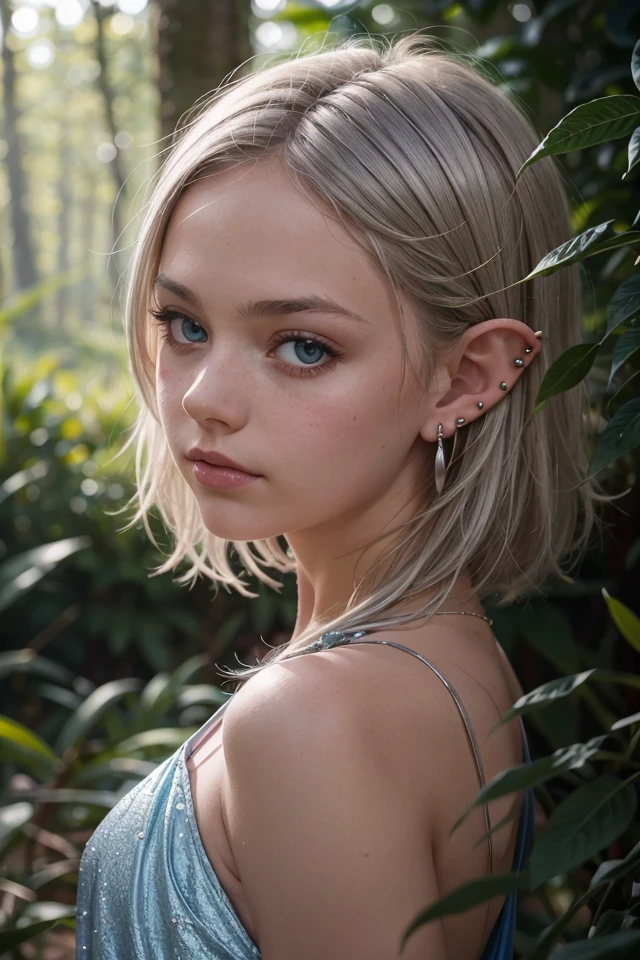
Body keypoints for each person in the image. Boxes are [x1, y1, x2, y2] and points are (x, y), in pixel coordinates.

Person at [75, 30, 603, 960]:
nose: (201, 398)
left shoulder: (313, 717)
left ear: (466, 379)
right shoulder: (451, 659)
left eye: (303, 346)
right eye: (184, 323)